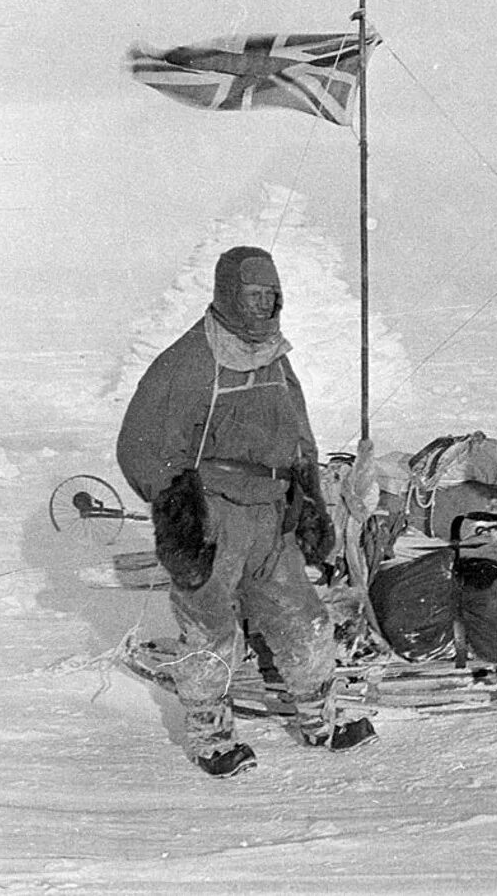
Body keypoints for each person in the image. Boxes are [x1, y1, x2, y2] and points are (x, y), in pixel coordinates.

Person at [117, 246, 376, 777]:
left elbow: (299, 431)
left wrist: (309, 498)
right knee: (209, 631)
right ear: (227, 296)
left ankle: (319, 719)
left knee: (302, 617)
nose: (262, 306)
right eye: (252, 295)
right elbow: (139, 445)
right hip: (216, 517)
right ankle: (212, 738)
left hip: (271, 516)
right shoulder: (190, 361)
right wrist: (179, 516)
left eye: (271, 296)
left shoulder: (274, 358)